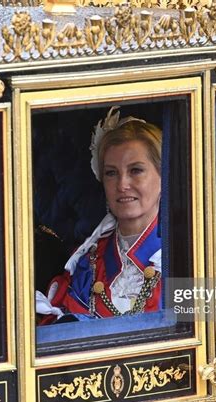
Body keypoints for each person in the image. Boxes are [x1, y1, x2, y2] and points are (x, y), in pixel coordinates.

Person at [36, 107, 162, 321]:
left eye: (136, 170)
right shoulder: (88, 265)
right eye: (111, 173)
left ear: (162, 174)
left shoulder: (193, 258)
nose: (122, 185)